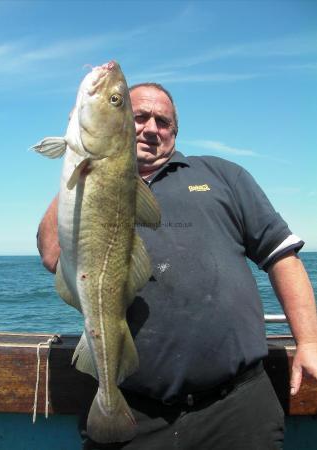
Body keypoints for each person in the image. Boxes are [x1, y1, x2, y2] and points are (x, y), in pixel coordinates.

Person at [37, 83, 317, 450]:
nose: (151, 128)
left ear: (174, 131)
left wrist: (309, 342)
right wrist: (82, 160)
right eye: (137, 117)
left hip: (237, 407)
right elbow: (52, 255)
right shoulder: (85, 180)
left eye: (163, 121)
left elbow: (282, 257)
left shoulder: (224, 176)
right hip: (134, 409)